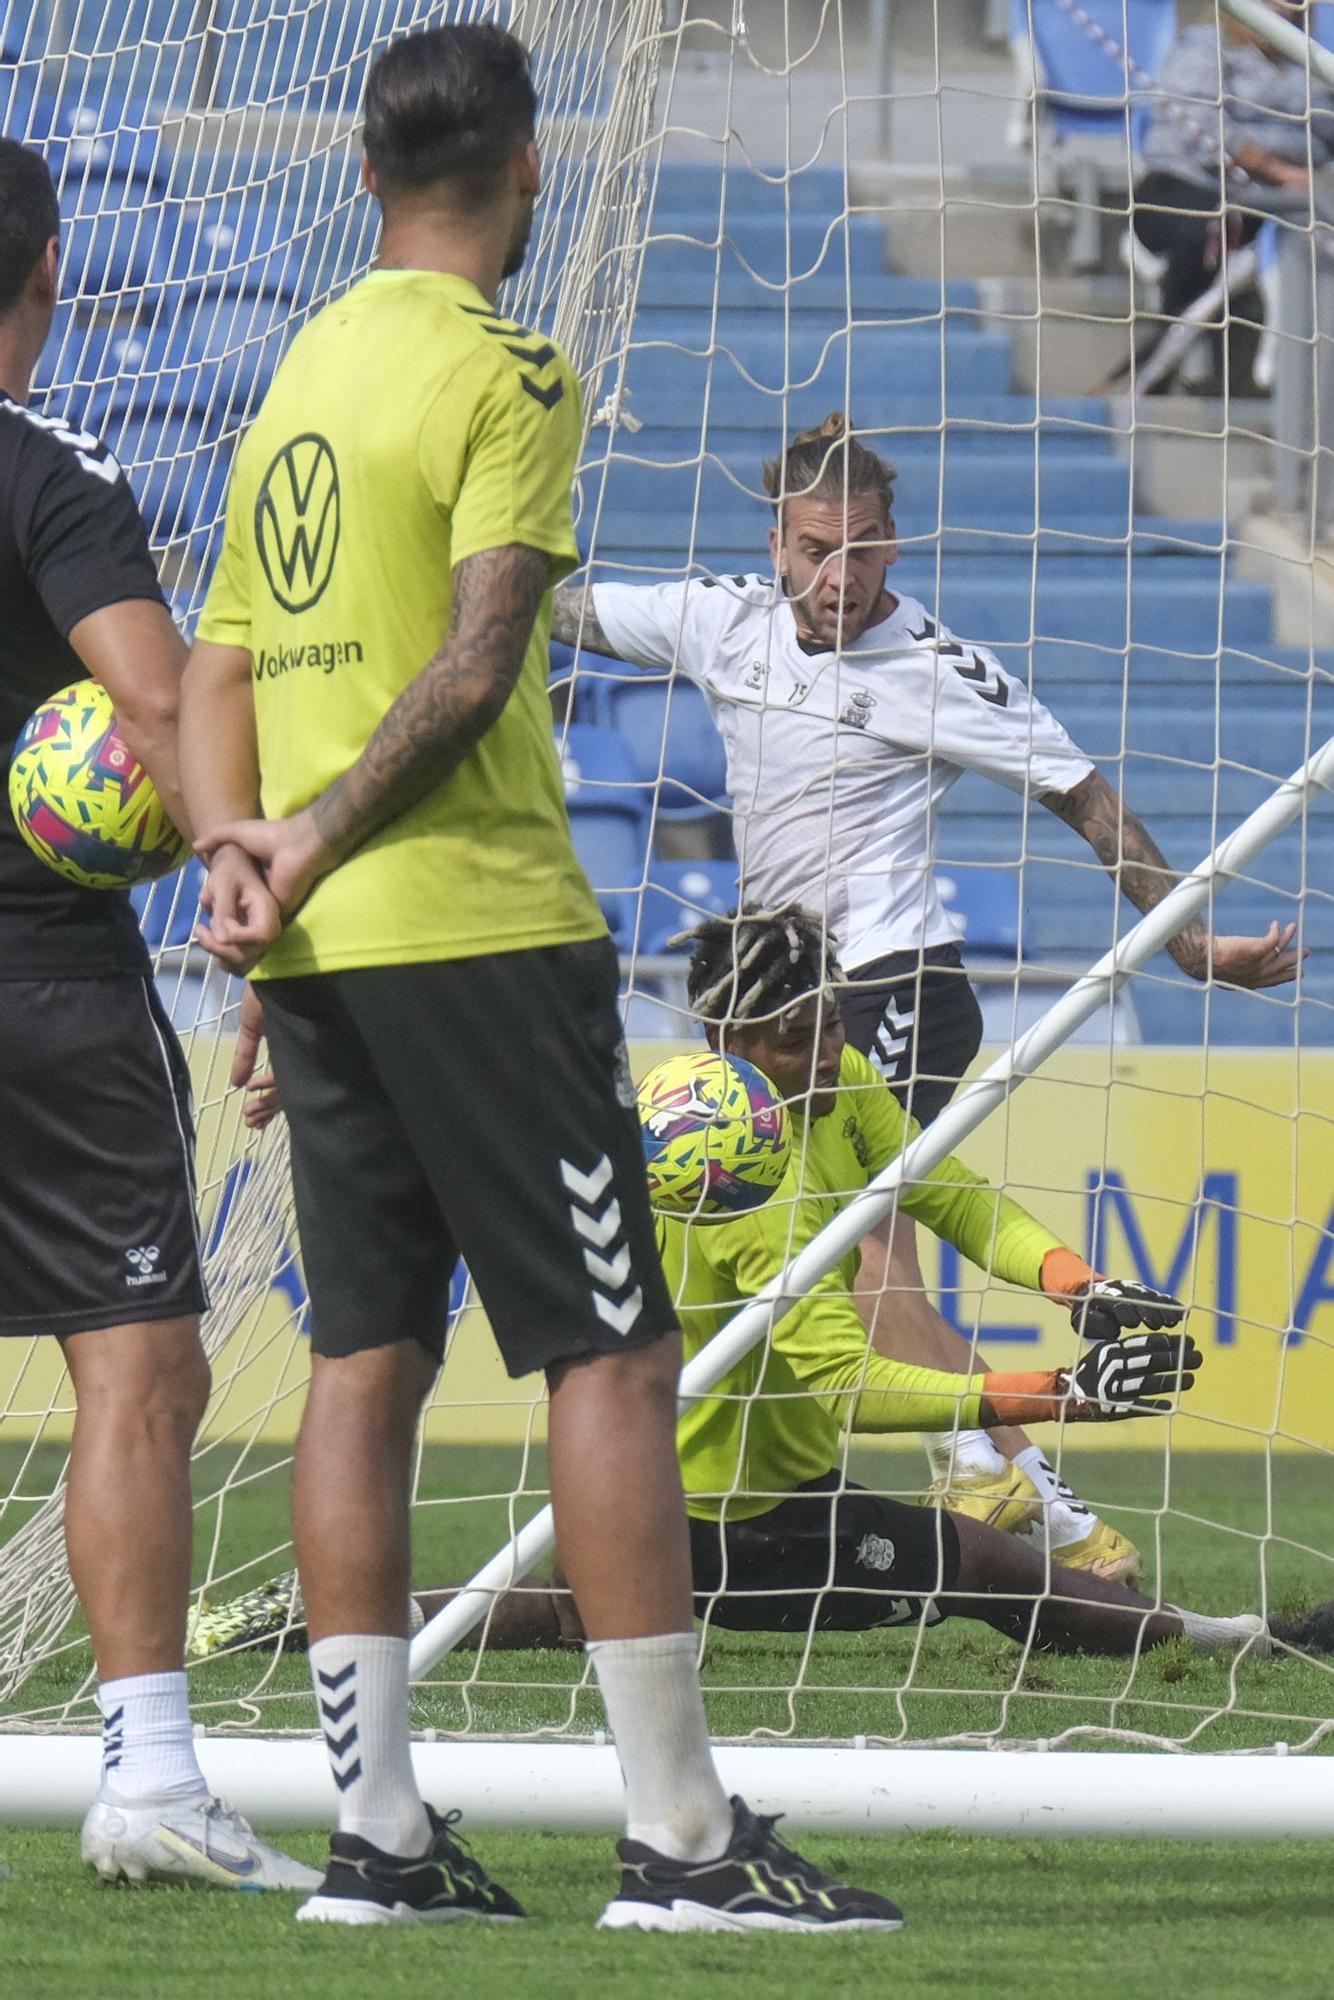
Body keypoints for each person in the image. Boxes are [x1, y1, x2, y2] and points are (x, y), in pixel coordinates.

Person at [178, 24, 902, 1936]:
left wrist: (248, 893)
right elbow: (487, 657)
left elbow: (218, 674)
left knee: (363, 1360)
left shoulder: (299, 376)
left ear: (359, 175)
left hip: (328, 951)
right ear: (523, 168)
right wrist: (312, 851)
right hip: (478, 933)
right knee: (611, 1350)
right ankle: (677, 1844)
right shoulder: (510, 367)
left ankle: (379, 1844)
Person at [550, 411, 1302, 1581]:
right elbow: (565, 610)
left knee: (859, 1242)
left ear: (892, 542)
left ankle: (986, 1467)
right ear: (776, 541)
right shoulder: (722, 621)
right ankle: (1055, 1524)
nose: (838, 577)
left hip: (895, 980)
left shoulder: (936, 667)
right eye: (813, 550)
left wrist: (1188, 941)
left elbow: (1085, 796)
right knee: (840, 1244)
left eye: (861, 550)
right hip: (783, 999)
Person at [193, 907, 1330, 1667]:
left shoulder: (837, 1084)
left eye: (830, 1014)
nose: (827, 1044)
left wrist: (1076, 1279)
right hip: (694, 1505)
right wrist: (1059, 1394)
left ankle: (1246, 1637)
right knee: (548, 1609)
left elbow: (949, 1195)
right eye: (797, 1032)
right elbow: (850, 1381)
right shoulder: (735, 1173)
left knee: (563, 1604)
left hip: (769, 1489)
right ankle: (295, 1617)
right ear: (728, 1038)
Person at [0, 137, 317, 1893]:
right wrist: (232, 877)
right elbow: (144, 696)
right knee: (135, 1371)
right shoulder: (53, 471)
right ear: (49, 277)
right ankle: (149, 1776)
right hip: (37, 985)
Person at [1132, 0, 1334, 397]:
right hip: (1186, 185)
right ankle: (1159, 363)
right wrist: (1279, 170)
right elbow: (1198, 123)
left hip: (1279, 201)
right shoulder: (1206, 47)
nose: (1288, 15)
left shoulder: (1311, 64)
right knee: (1208, 231)